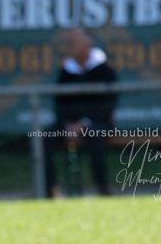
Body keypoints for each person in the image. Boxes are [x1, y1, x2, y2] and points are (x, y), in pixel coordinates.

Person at [43, 28, 117, 198]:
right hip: (69, 124)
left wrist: (83, 123)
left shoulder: (104, 70)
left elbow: (107, 105)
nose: (68, 47)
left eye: (72, 43)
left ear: (86, 45)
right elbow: (60, 104)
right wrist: (67, 125)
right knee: (44, 135)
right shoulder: (66, 72)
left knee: (95, 133)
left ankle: (102, 188)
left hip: (97, 123)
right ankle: (49, 189)